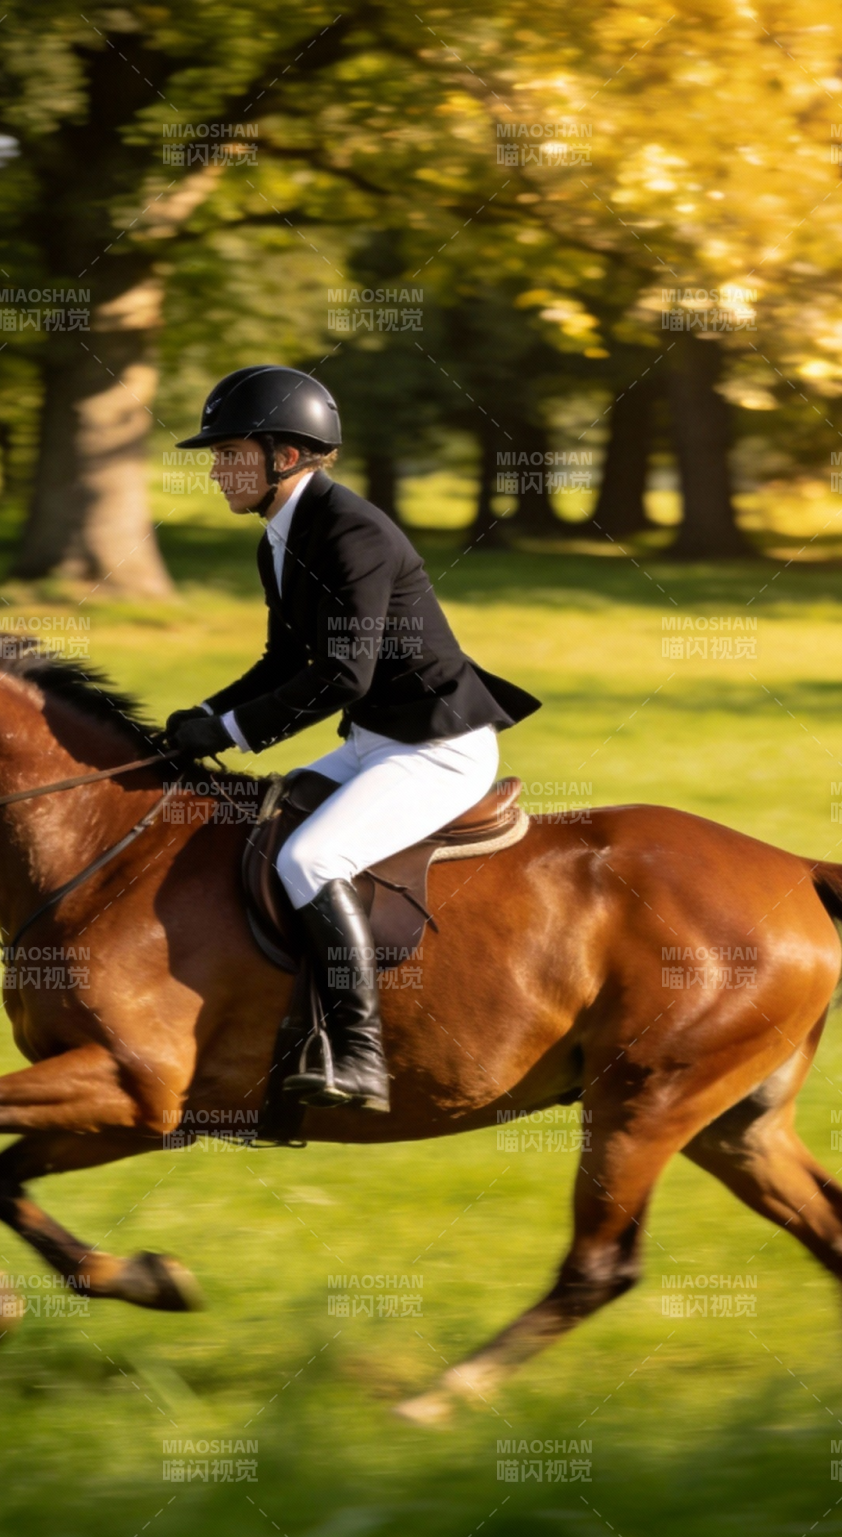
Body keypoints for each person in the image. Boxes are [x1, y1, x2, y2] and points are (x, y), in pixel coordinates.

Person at [167, 366, 540, 1112]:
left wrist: (232, 731)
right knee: (262, 826)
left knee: (311, 857)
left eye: (229, 453)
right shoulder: (282, 536)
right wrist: (201, 715)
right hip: (376, 741)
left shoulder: (352, 531)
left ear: (285, 456)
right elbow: (283, 662)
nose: (215, 471)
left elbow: (342, 674)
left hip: (436, 748)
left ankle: (361, 1056)